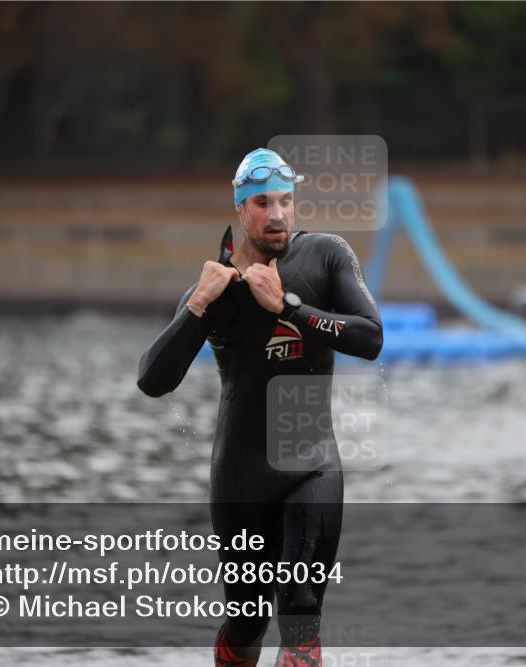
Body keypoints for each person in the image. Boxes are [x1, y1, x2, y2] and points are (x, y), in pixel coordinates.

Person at [137, 147, 383, 667]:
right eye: (262, 203)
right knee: (248, 620)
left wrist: (290, 307)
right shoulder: (215, 287)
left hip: (311, 463)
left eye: (285, 201)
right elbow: (152, 380)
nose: (277, 215)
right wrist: (197, 306)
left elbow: (370, 338)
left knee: (300, 606)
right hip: (241, 478)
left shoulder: (327, 256)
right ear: (240, 208)